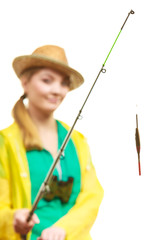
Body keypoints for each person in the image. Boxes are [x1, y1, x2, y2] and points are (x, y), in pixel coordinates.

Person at [0, 45, 104, 240]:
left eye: (64, 83)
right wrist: (12, 218)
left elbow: (92, 196)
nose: (57, 90)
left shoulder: (77, 140)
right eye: (47, 80)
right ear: (25, 82)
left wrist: (63, 229)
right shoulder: (5, 143)